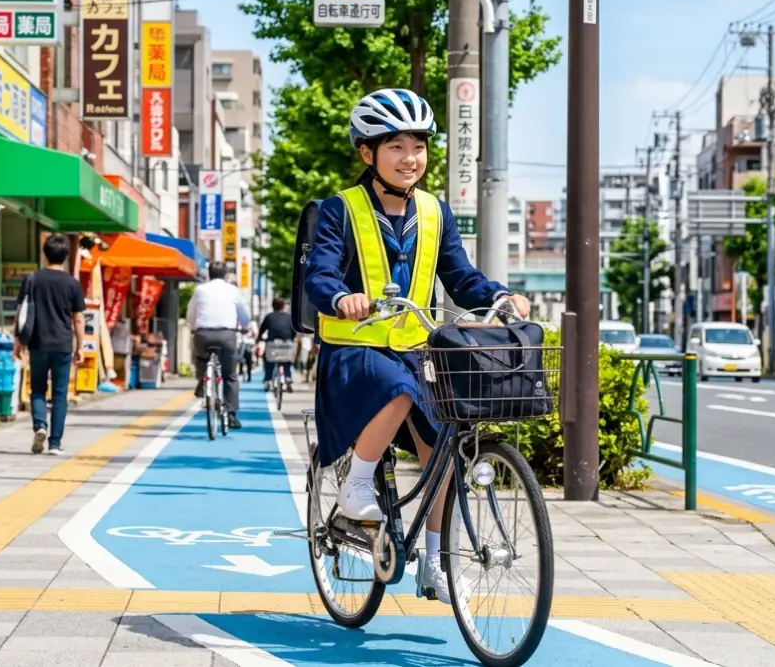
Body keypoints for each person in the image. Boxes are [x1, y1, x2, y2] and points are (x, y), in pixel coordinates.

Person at [304, 88, 530, 603]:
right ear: (367, 153)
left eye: (419, 147)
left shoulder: (435, 212)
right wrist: (342, 297)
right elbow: (318, 273)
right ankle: (357, 485)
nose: (411, 159)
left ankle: (435, 561)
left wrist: (499, 295)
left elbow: (461, 276)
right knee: (398, 387)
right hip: (355, 352)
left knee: (443, 447)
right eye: (396, 147)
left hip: (415, 349)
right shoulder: (341, 209)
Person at [14, 234, 86, 455]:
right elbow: (79, 318)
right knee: (60, 394)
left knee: (37, 389)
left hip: (38, 342)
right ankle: (55, 443)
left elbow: (21, 313)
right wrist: (80, 346)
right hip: (63, 344)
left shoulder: (33, 279)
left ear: (44, 255)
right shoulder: (72, 283)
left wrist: (18, 341)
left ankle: (40, 426)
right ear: (65, 257)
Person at [186, 261, 250, 429]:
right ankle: (230, 415)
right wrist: (244, 326)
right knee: (230, 375)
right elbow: (244, 316)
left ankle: (202, 380)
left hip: (203, 334)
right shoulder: (233, 290)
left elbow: (191, 314)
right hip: (226, 335)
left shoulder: (200, 290)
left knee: (200, 358)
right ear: (226, 275)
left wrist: (194, 328)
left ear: (208, 274)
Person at [258, 297, 296, 392]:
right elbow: (294, 333)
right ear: (283, 306)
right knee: (287, 361)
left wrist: (259, 339)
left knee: (268, 360)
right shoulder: (289, 317)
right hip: (286, 344)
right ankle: (288, 378)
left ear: (272, 306)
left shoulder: (269, 317)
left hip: (272, 345)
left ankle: (268, 379)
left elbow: (261, 331)